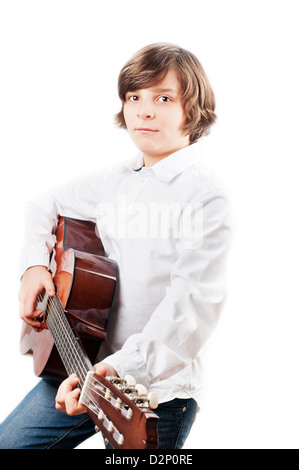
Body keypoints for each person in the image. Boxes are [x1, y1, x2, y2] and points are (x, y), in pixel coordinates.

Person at [0, 43, 231, 449]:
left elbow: (190, 310)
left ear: (192, 110)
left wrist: (114, 371)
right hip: (80, 362)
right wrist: (33, 268)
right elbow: (42, 206)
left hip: (153, 393)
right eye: (134, 96)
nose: (143, 110)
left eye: (163, 98)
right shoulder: (116, 179)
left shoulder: (205, 196)